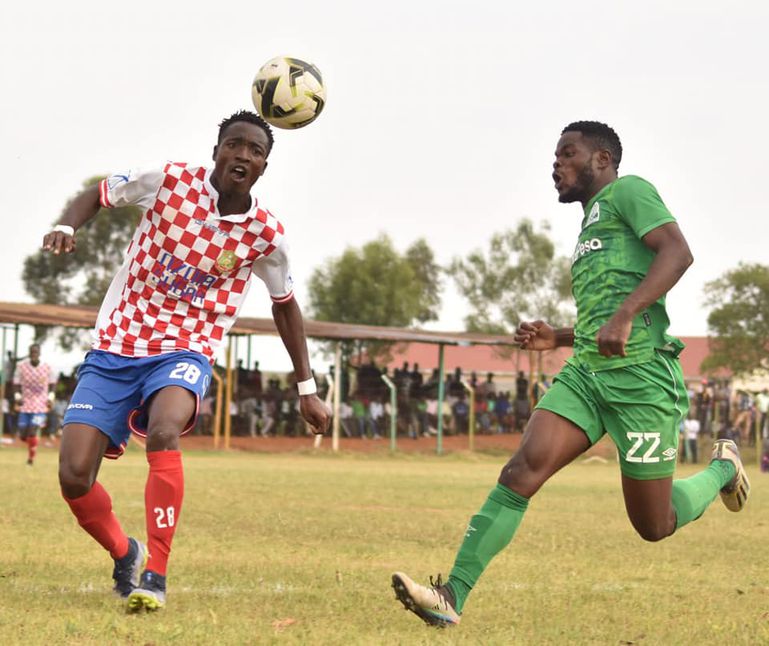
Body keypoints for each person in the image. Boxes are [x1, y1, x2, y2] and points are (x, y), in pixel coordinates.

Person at [391, 120, 750, 627]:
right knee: (521, 471)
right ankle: (451, 595)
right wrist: (557, 337)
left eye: (568, 153)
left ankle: (723, 469)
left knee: (654, 524)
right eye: (556, 156)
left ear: (602, 159)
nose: (556, 164)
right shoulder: (589, 226)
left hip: (642, 379)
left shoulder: (630, 191)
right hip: (586, 375)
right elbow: (604, 312)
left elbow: (678, 252)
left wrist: (627, 315)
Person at [43, 110, 330, 612]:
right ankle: (125, 552)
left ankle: (155, 575)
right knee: (74, 476)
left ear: (264, 166)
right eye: (234, 144)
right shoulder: (168, 181)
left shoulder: (265, 235)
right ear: (216, 151)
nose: (243, 155)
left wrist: (307, 389)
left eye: (255, 151)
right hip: (117, 344)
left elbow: (285, 306)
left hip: (186, 348)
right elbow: (98, 193)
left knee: (164, 429)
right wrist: (67, 223)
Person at [13, 343, 57, 465]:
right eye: (32, 352)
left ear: (39, 353)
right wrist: (17, 397)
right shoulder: (21, 366)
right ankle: (32, 443)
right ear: (29, 353)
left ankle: (31, 458)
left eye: (36, 352)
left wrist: (51, 397)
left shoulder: (47, 367)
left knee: (33, 431)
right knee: (23, 434)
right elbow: (15, 383)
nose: (33, 354)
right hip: (25, 402)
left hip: (41, 404)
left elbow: (53, 384)